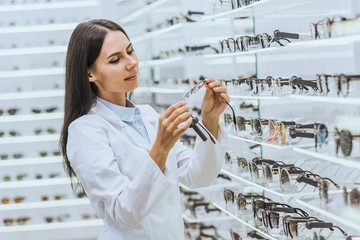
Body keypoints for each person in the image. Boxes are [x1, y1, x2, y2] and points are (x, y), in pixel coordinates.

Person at [60, 19, 229, 240]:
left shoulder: (148, 115)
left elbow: (198, 176)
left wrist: (210, 120)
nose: (131, 63)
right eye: (115, 59)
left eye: (130, 51)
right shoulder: (85, 131)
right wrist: (160, 148)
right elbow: (124, 212)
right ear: (90, 74)